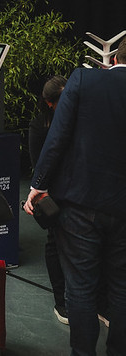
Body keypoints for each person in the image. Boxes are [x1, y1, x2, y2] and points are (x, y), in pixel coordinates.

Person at [25, 40, 126, 356]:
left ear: (114, 58)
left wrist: (38, 185)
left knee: (80, 287)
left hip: (80, 203)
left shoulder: (83, 79)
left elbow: (58, 136)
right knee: (122, 288)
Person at [27, 75, 68, 324]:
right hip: (53, 193)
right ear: (49, 103)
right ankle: (61, 301)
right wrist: (42, 191)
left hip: (72, 190)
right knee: (54, 243)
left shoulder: (76, 118)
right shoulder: (40, 125)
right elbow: (38, 164)